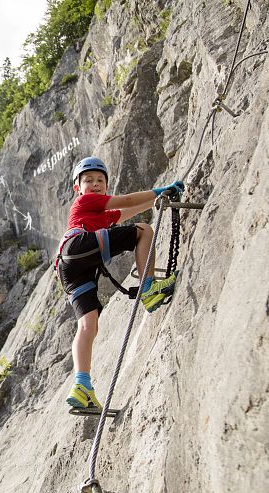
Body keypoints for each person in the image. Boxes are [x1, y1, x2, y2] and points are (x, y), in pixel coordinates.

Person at [56, 156, 183, 410]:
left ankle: (82, 386)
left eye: (100, 181)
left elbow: (126, 211)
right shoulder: (85, 202)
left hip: (69, 268)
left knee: (88, 325)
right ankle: (148, 288)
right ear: (77, 188)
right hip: (77, 248)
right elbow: (125, 201)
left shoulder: (100, 216)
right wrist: (161, 189)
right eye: (89, 180)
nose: (95, 184)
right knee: (144, 231)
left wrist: (159, 198)